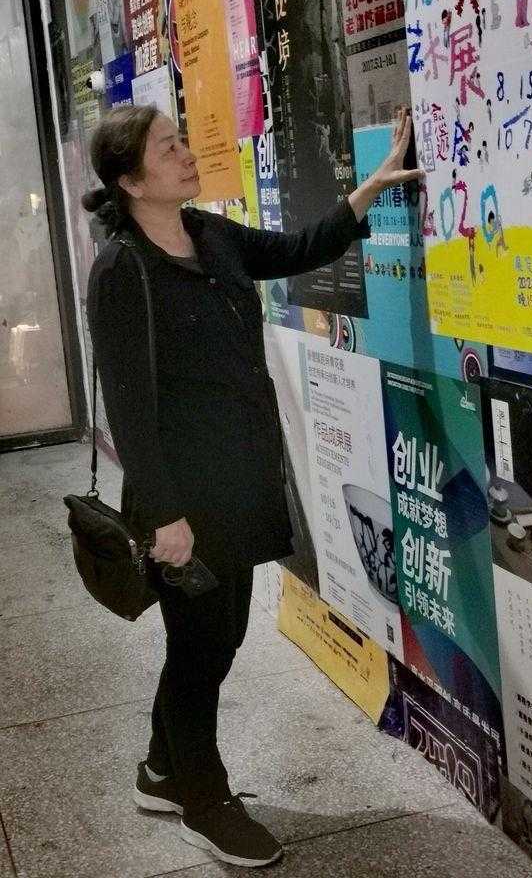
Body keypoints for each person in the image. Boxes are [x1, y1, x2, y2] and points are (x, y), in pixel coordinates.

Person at [83, 104, 422, 868]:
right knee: (200, 647)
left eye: (181, 139)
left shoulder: (211, 235)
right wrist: (166, 516)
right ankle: (205, 802)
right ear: (131, 180)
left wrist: (374, 183)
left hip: (239, 481)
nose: (186, 153)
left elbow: (298, 249)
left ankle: (162, 770)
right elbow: (130, 410)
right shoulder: (122, 270)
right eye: (167, 147)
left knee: (220, 635)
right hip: (181, 498)